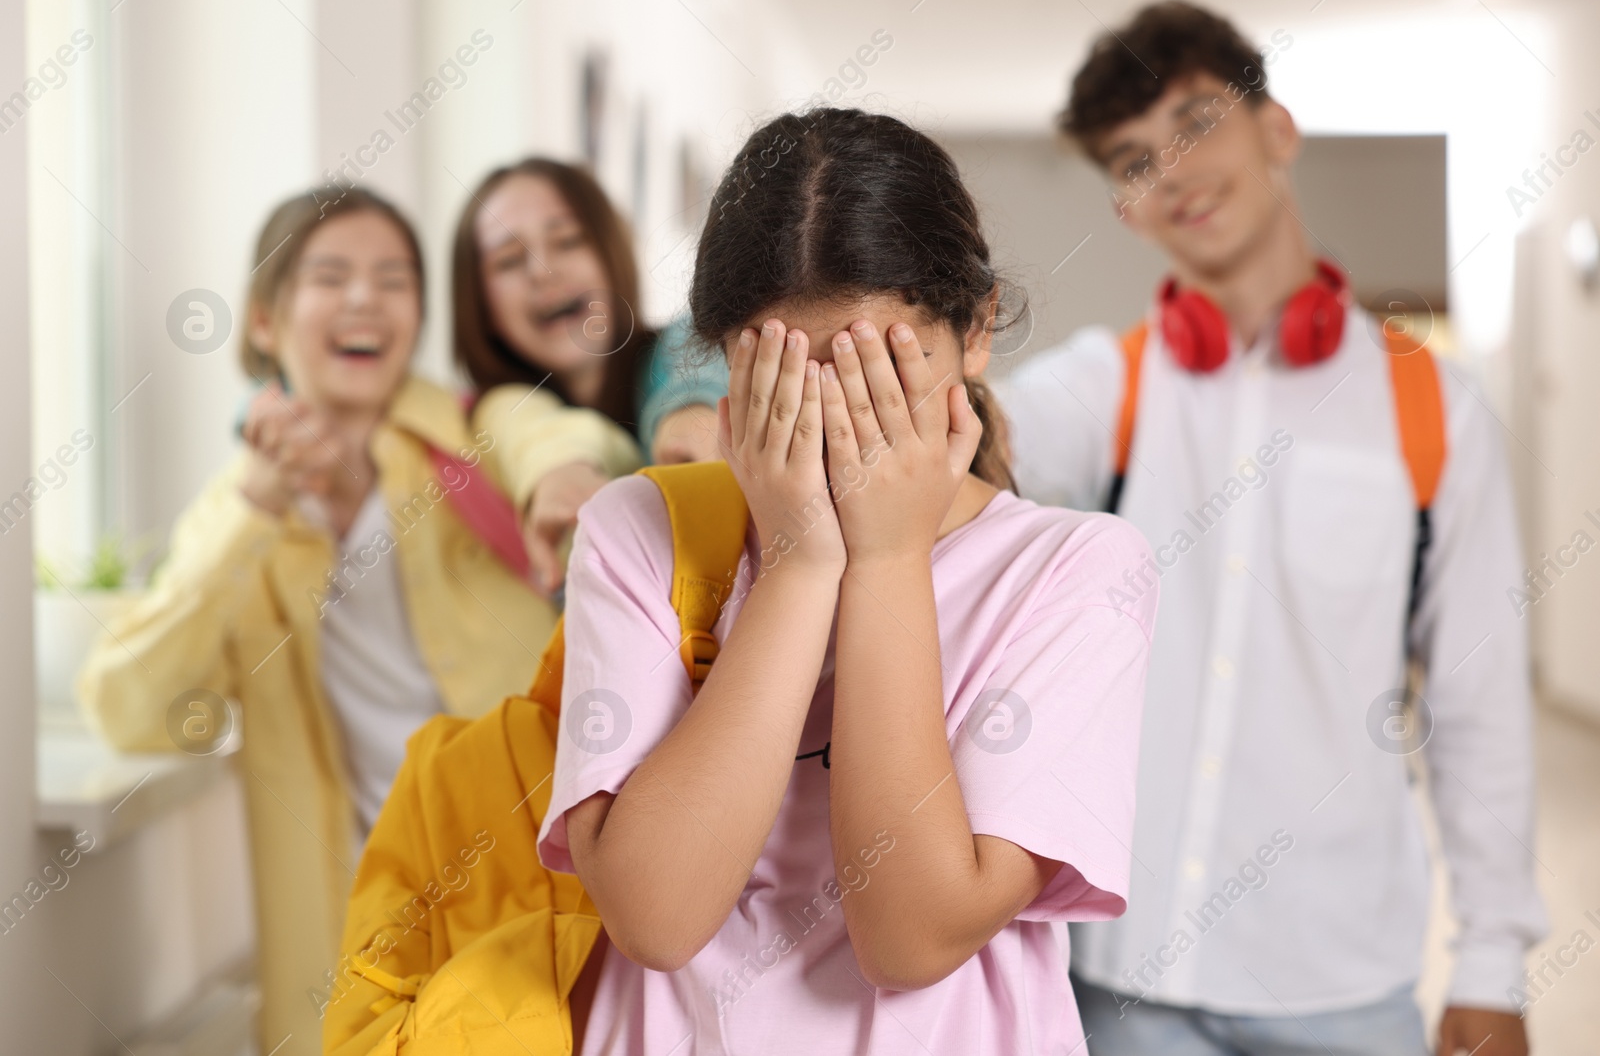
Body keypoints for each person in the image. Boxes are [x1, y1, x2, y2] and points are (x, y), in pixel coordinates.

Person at [535, 106, 1158, 1054]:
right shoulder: (639, 528)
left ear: (977, 327)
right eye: (790, 379)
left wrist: (891, 559)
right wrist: (798, 562)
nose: (838, 426)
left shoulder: (1077, 572)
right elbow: (655, 919)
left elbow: (910, 938)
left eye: (878, 373)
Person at [995, 1, 1547, 1056]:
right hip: (1120, 975)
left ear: (1276, 128)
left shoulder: (1434, 411)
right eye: (1133, 157)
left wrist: (1491, 960)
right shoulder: (1098, 389)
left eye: (1198, 121)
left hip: (1342, 975)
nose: (1175, 169)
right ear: (1124, 205)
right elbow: (951, 446)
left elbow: (1478, 708)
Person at [78, 186, 644, 1056]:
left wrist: (564, 478)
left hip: (537, 914)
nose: (363, 300)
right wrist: (253, 506)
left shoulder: (469, 432)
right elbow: (129, 703)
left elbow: (557, 436)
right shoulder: (240, 520)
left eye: (393, 279)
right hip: (368, 960)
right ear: (265, 323)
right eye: (330, 276)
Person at [450, 157, 727, 598]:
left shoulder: (681, 345)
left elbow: (692, 356)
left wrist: (691, 417)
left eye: (568, 240)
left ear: (609, 252)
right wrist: (561, 472)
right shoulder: (494, 415)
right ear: (481, 307)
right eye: (507, 261)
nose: (543, 271)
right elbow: (528, 429)